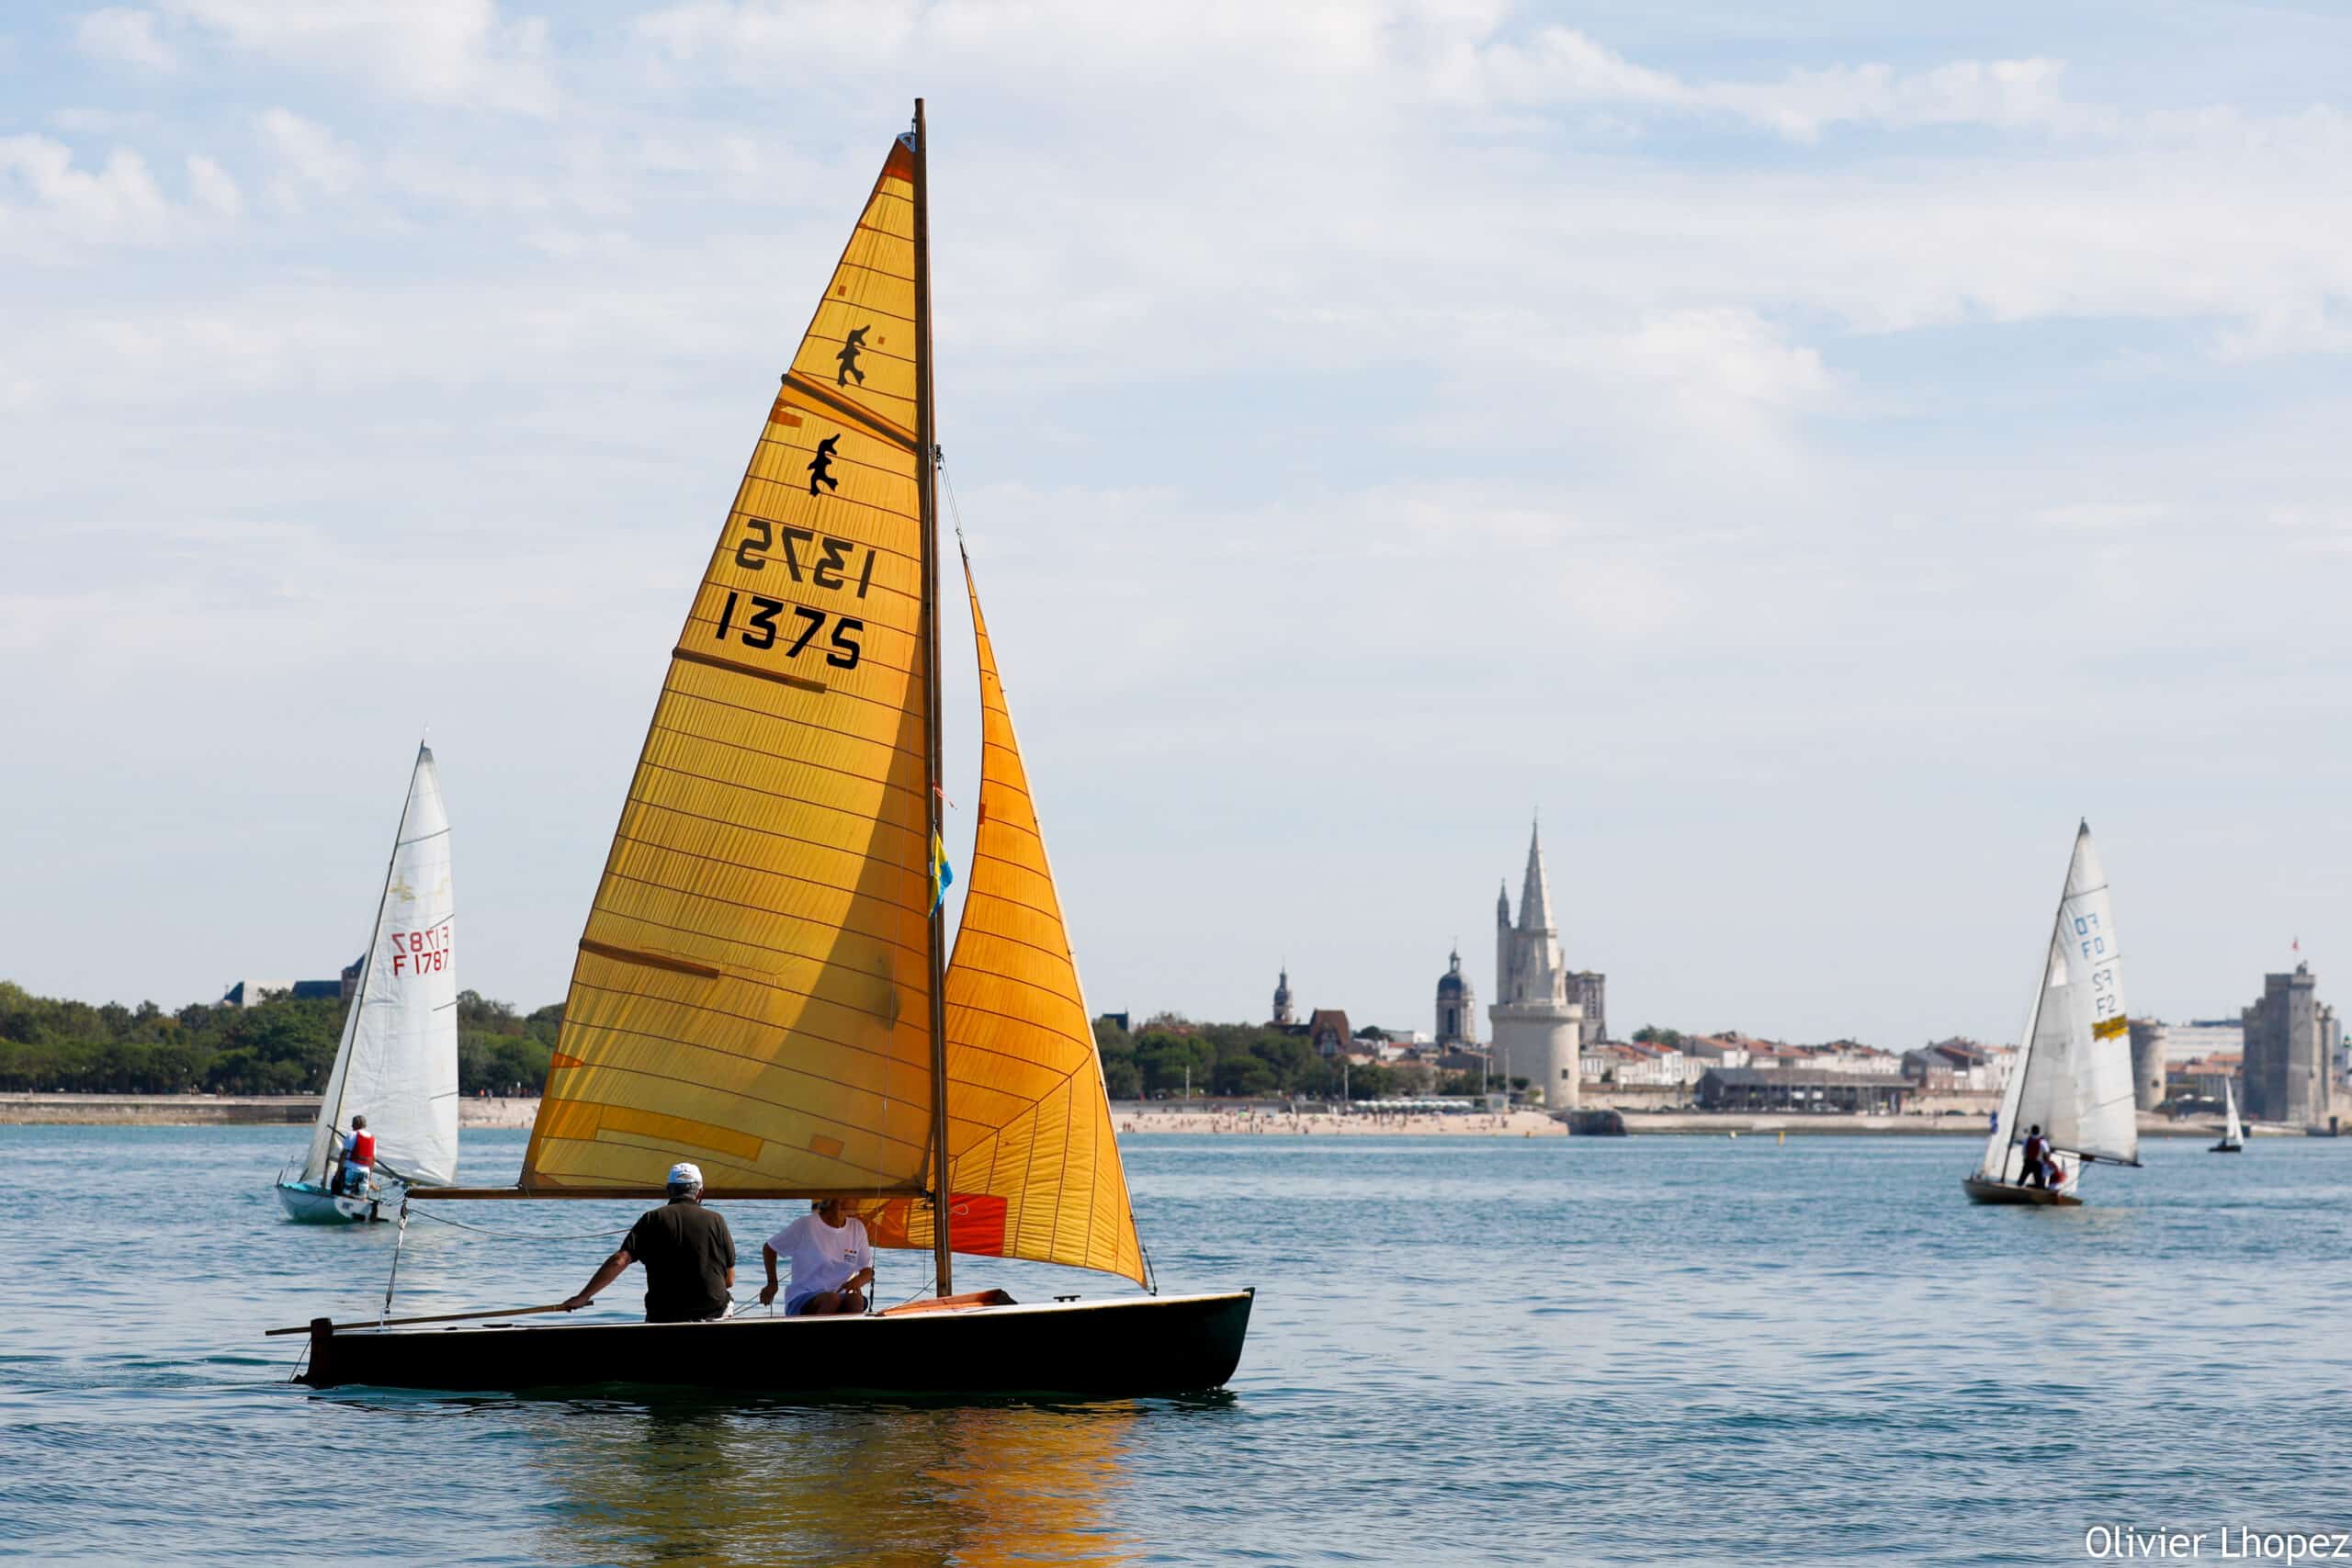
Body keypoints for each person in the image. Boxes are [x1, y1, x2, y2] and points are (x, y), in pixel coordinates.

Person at [560, 1162, 736, 1323]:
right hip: (712, 1313)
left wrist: (583, 1296)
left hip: (664, 1314)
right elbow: (729, 1280)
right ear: (700, 1192)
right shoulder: (717, 1221)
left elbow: (620, 1260)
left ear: (669, 1190)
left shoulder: (653, 1218)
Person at [759, 1197, 874, 1316]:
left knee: (855, 1300)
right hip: (802, 1295)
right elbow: (770, 1248)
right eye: (854, 1196)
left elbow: (867, 1271)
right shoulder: (806, 1225)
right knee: (831, 1299)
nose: (859, 1201)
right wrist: (772, 1283)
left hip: (840, 1294)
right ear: (835, 1200)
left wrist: (858, 1281)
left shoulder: (857, 1227)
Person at [333, 1114, 375, 1196]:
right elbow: (373, 1159)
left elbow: (343, 1154)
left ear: (357, 1124)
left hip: (351, 1169)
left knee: (343, 1191)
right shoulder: (372, 1138)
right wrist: (369, 1177)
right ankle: (361, 1202)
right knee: (361, 1196)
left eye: (353, 1124)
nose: (351, 1126)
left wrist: (338, 1172)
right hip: (365, 1172)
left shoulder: (352, 1134)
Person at [2018, 1124, 2048, 1190]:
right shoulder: (2043, 1142)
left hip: (2028, 1162)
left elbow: (2023, 1152)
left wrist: (2025, 1159)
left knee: (2021, 1181)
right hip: (2038, 1164)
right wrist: (2045, 1163)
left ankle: (2016, 1191)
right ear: (2039, 1132)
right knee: (2039, 1184)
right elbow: (2046, 1154)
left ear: (2031, 1131)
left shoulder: (2026, 1140)